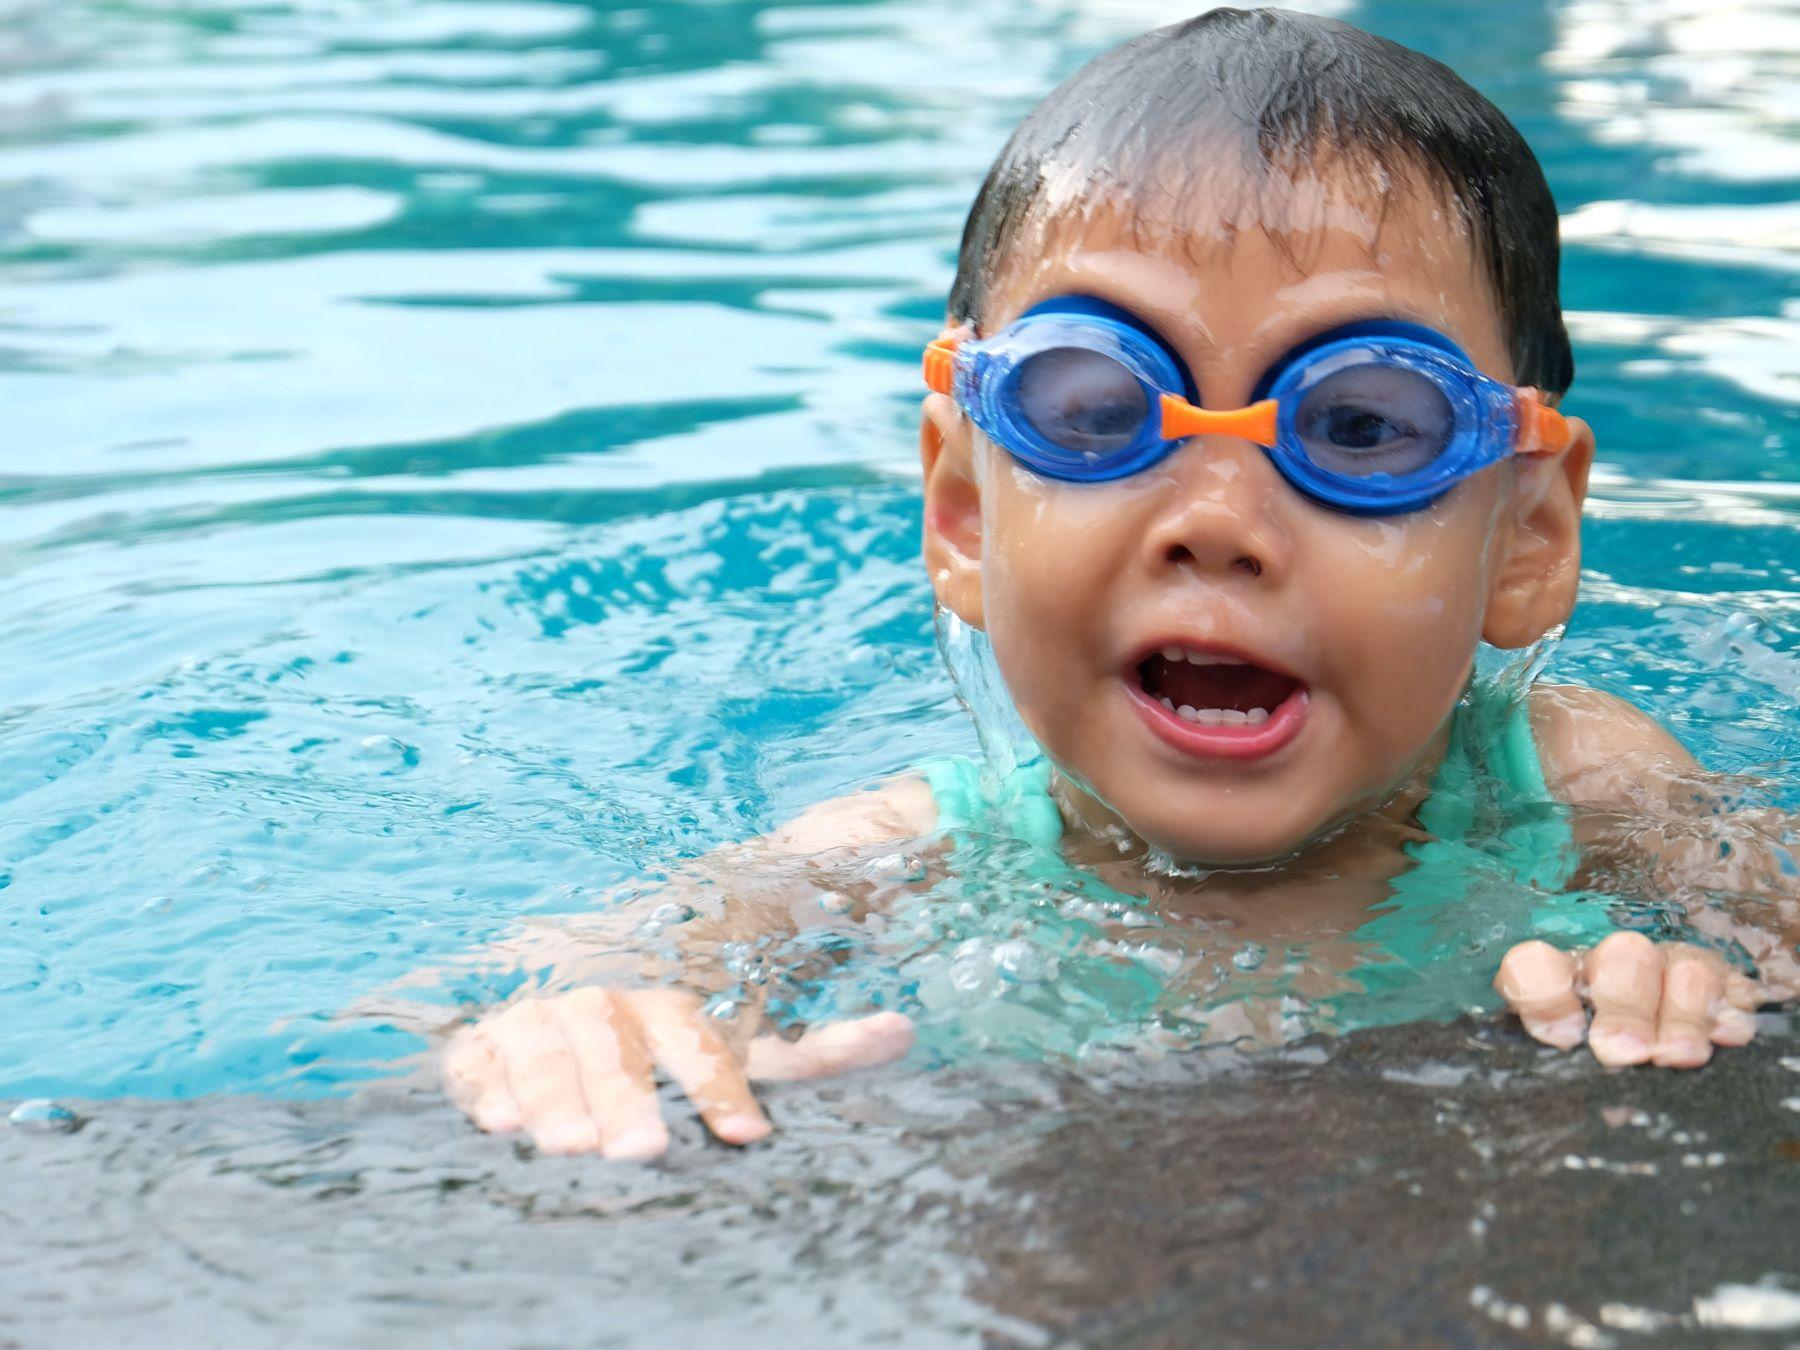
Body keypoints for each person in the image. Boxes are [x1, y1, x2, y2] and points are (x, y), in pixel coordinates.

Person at [439, 8, 1796, 1160]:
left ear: (1528, 542)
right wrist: (578, 1020)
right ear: (965, 507)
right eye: (1092, 408)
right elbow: (564, 968)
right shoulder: (917, 846)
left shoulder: (1570, 788)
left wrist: (1693, 985)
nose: (1216, 526)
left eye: (1367, 424)